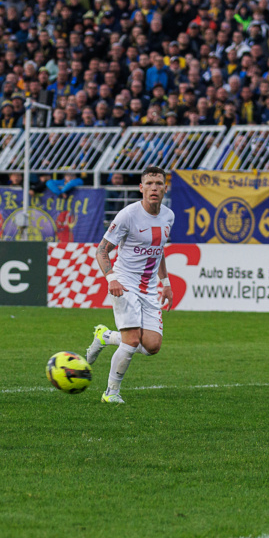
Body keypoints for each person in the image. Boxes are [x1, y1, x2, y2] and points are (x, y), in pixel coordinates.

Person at [84, 165, 174, 405]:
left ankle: (104, 336)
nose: (154, 187)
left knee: (152, 347)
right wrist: (111, 277)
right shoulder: (128, 215)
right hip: (124, 282)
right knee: (132, 340)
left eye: (158, 183)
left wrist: (165, 282)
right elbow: (102, 250)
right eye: (149, 183)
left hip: (148, 288)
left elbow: (158, 250)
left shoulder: (168, 216)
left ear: (165, 188)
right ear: (141, 188)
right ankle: (111, 392)